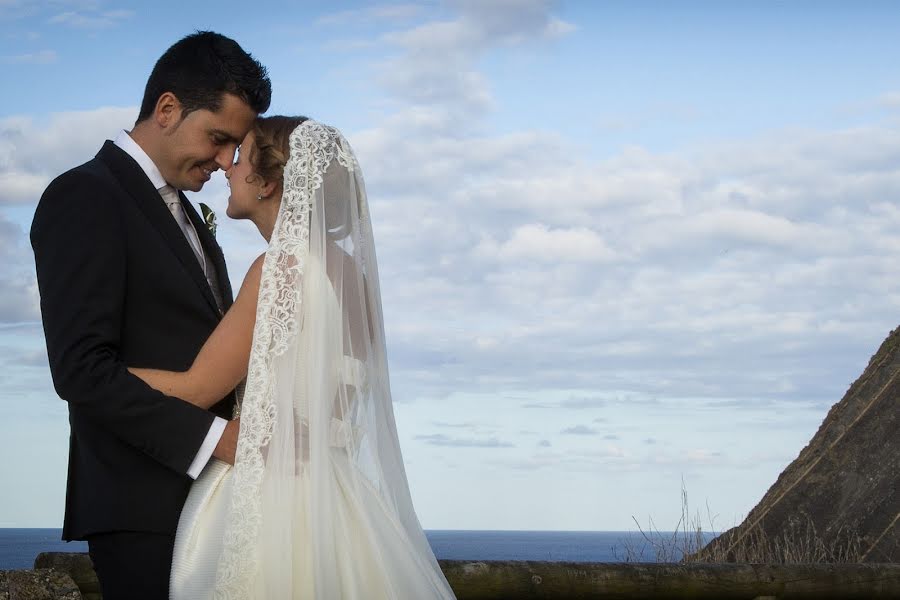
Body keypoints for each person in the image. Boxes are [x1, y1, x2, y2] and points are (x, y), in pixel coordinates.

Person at [128, 117, 457, 598]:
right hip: (337, 497)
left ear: (267, 184)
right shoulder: (349, 276)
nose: (227, 168)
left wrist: (100, 373)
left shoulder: (279, 268)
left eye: (239, 158)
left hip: (270, 497)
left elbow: (199, 388)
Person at [30, 31, 271, 600]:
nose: (224, 160)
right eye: (217, 139)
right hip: (140, 508)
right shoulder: (84, 196)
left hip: (211, 502)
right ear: (167, 109)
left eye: (233, 146)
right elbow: (83, 371)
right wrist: (219, 441)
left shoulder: (187, 211)